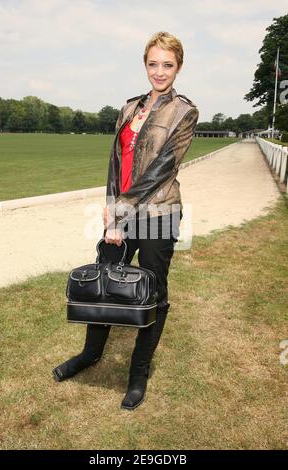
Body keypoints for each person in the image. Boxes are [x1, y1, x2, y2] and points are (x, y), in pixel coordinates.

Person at [52, 31, 199, 411]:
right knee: (103, 279)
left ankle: (138, 373)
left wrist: (122, 209)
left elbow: (161, 170)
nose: (160, 71)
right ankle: (90, 355)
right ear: (145, 64)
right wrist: (111, 206)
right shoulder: (129, 107)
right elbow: (116, 165)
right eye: (153, 63)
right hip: (122, 211)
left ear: (178, 66)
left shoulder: (185, 111)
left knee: (152, 290)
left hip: (159, 213)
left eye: (168, 64)